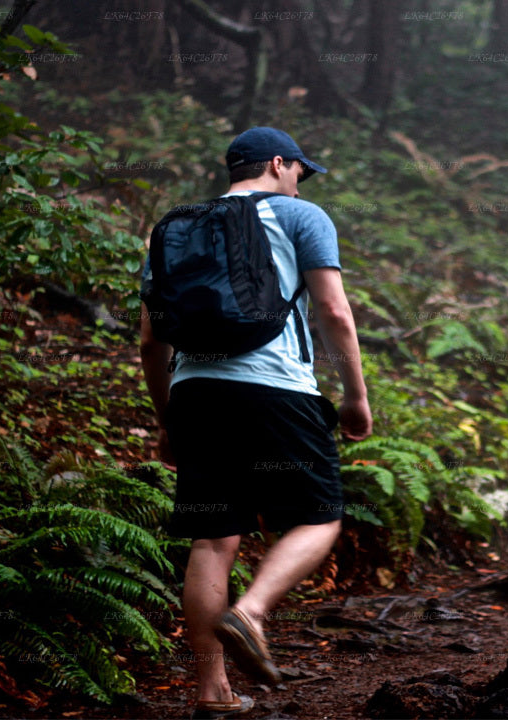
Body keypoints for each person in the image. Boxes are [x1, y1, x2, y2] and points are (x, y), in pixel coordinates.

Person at [139, 127, 372, 719]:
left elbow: (150, 341)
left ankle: (213, 691)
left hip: (195, 393)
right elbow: (334, 311)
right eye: (299, 172)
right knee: (321, 515)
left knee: (214, 539)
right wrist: (355, 397)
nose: (300, 185)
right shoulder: (301, 217)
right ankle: (252, 611)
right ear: (277, 163)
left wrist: (167, 421)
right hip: (275, 388)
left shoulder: (177, 226)